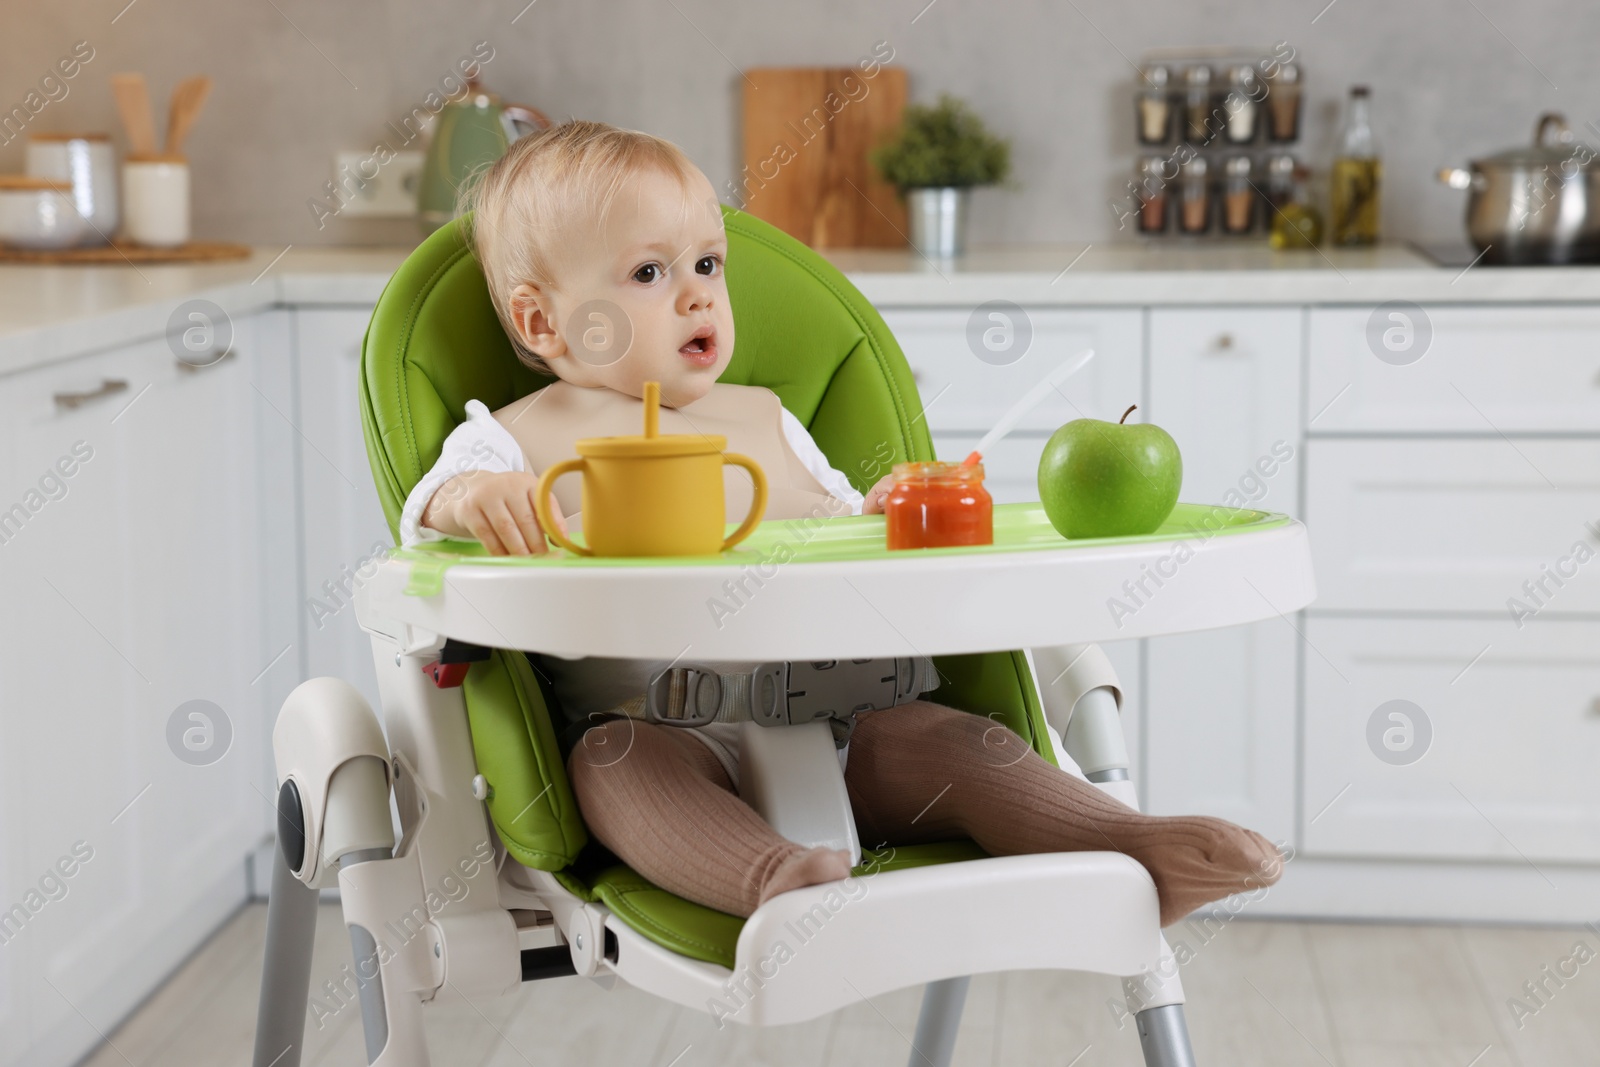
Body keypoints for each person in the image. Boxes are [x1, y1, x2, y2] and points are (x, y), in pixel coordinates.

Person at [400, 120, 1281, 923]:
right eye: (647, 273)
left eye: (708, 264)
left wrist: (882, 512)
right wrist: (466, 502)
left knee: (967, 743)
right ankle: (774, 879)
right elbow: (428, 519)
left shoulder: (767, 421)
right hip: (662, 727)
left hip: (850, 726)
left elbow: (838, 528)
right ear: (542, 319)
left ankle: (1131, 840)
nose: (698, 296)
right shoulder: (509, 438)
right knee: (612, 769)